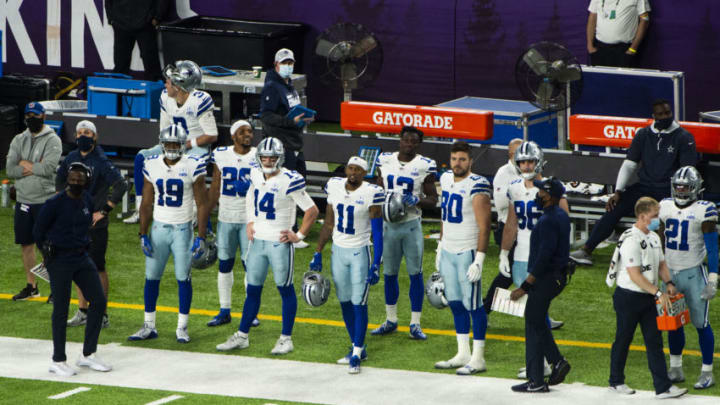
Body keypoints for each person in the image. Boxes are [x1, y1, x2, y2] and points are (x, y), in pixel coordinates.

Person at [216, 137, 319, 355]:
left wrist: (298, 235)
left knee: (285, 289)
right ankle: (242, 336)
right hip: (258, 241)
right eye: (265, 157)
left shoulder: (289, 179)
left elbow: (312, 210)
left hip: (279, 242)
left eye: (273, 157)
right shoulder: (254, 173)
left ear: (280, 158)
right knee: (252, 290)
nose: (269, 161)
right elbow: (251, 195)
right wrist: (250, 220)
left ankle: (286, 339)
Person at [571, 99, 697, 265]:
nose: (665, 116)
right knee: (614, 206)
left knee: (664, 217)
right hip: (644, 187)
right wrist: (618, 191)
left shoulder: (684, 137)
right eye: (661, 114)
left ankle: (664, 260)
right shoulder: (643, 135)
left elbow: (687, 171)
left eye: (668, 113)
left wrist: (680, 197)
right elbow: (629, 165)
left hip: (669, 191)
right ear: (654, 116)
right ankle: (587, 250)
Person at [128, 124, 209, 344]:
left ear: (183, 145)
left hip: (182, 230)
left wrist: (201, 236)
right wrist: (142, 233)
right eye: (169, 143)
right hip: (159, 229)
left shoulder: (193, 164)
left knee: (183, 278)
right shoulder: (151, 164)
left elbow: (202, 204)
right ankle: (148, 325)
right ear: (162, 144)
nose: (172, 147)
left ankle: (182, 327)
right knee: (151, 277)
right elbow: (146, 203)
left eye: (176, 144)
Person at [605, 197, 687, 398]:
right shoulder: (630, 239)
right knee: (623, 339)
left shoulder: (654, 237)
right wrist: (658, 292)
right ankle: (616, 381)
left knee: (655, 341)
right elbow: (635, 275)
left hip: (648, 297)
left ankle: (663, 387)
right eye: (654, 216)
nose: (657, 220)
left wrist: (669, 283)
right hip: (628, 297)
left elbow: (661, 264)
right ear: (642, 216)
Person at [34, 162, 111, 377]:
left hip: (80, 256)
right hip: (59, 259)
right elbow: (38, 231)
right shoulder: (55, 203)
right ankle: (58, 360)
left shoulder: (87, 199)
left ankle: (88, 354)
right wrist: (46, 255)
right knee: (60, 309)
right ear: (67, 179)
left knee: (98, 300)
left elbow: (86, 224)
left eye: (80, 179)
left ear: (87, 180)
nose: (76, 182)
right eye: (73, 178)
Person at [309, 156, 384, 374]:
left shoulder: (371, 192)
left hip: (360, 251)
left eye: (358, 169)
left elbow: (378, 232)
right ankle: (357, 346)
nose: (353, 172)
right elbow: (329, 223)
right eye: (351, 168)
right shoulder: (334, 186)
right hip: (338, 250)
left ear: (364, 173)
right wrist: (318, 252)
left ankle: (357, 354)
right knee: (344, 301)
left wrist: (376, 262)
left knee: (359, 302)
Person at [499, 141, 567, 380]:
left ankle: (544, 364)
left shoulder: (552, 188)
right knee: (530, 314)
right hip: (521, 257)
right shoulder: (515, 188)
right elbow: (511, 222)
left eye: (529, 161)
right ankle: (539, 364)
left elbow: (562, 222)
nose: (526, 165)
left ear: (539, 161)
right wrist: (504, 252)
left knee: (536, 313)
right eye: (522, 161)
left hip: (543, 259)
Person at [125, 60, 217, 224]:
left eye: (168, 82)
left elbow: (211, 135)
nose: (165, 84)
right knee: (142, 157)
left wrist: (187, 145)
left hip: (197, 148)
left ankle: (193, 212)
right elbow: (164, 131)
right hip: (174, 145)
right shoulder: (165, 98)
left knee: (188, 165)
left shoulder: (199, 100)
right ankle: (141, 208)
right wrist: (170, 147)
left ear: (178, 85)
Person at [57, 120, 128, 329]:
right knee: (77, 267)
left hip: (95, 224)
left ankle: (102, 313)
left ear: (94, 137)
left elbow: (121, 185)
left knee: (97, 268)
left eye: (87, 132)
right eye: (79, 133)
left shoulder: (101, 161)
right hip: (74, 221)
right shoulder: (71, 158)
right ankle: (83, 310)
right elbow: (60, 180)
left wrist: (104, 210)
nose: (82, 136)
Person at [372, 126, 438, 340]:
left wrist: (418, 200)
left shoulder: (424, 165)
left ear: (418, 144)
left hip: (410, 225)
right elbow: (377, 189)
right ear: (399, 140)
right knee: (389, 274)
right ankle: (391, 319)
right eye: (406, 139)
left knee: (415, 274)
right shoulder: (385, 160)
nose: (409, 143)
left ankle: (415, 323)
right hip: (388, 226)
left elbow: (433, 200)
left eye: (413, 141)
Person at [434, 141, 491, 375]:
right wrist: (440, 244)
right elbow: (444, 216)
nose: (458, 163)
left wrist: (479, 259)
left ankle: (478, 358)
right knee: (455, 303)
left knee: (474, 305)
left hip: (467, 250)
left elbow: (484, 226)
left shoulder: (478, 184)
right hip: (448, 249)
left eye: (463, 159)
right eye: (455, 159)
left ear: (471, 161)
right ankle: (463, 353)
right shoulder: (446, 178)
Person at [509, 177, 571, 393]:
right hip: (556, 276)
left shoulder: (547, 221)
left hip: (547, 278)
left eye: (542, 192)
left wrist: (524, 286)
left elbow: (544, 257)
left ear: (551, 196)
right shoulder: (559, 215)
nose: (538, 195)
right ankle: (535, 380)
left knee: (534, 318)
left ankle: (557, 361)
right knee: (535, 320)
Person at [658, 167, 717, 389]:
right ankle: (675, 367)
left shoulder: (705, 209)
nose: (681, 190)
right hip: (670, 273)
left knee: (701, 323)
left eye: (685, 186)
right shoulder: (664, 206)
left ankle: (707, 371)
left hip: (694, 273)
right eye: (678, 186)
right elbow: (659, 240)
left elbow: (712, 248)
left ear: (695, 188)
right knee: (673, 323)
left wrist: (712, 278)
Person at [6, 102, 62, 301]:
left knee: (47, 246)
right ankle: (32, 286)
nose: (31, 118)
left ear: (43, 116)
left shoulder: (53, 140)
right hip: (22, 200)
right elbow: (10, 169)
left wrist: (23, 163)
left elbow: (47, 169)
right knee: (25, 245)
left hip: (43, 200)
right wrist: (32, 166)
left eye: (35, 115)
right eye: (28, 115)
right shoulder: (18, 139)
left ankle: (57, 287)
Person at [206, 120, 260, 327]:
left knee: (251, 267)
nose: (248, 134)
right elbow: (215, 185)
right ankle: (224, 310)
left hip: (249, 220)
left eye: (250, 131)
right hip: (226, 218)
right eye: (242, 131)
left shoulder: (259, 154)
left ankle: (251, 312)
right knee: (225, 265)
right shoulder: (221, 154)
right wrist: (205, 218)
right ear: (233, 136)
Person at [260, 48, 314, 179]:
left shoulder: (290, 85)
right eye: (284, 63)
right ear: (276, 64)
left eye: (290, 63)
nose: (288, 66)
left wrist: (304, 118)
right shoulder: (271, 86)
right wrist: (290, 121)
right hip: (281, 148)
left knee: (300, 185)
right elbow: (266, 115)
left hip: (295, 144)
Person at [483, 138, 522, 314]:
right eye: (517, 152)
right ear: (510, 154)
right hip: (507, 229)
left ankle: (484, 310)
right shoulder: (503, 173)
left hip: (526, 230)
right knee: (511, 275)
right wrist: (523, 195)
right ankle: (484, 310)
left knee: (524, 273)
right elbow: (500, 203)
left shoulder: (529, 170)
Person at [106, 0, 170, 81]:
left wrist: (157, 17)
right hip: (120, 22)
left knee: (151, 63)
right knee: (120, 64)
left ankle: (155, 91)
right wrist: (111, 18)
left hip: (146, 23)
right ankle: (119, 91)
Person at [586, 0, 650, 67]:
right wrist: (590, 46)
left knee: (622, 77)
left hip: (624, 50)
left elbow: (645, 20)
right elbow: (592, 17)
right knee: (599, 77)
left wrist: (632, 49)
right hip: (599, 49)